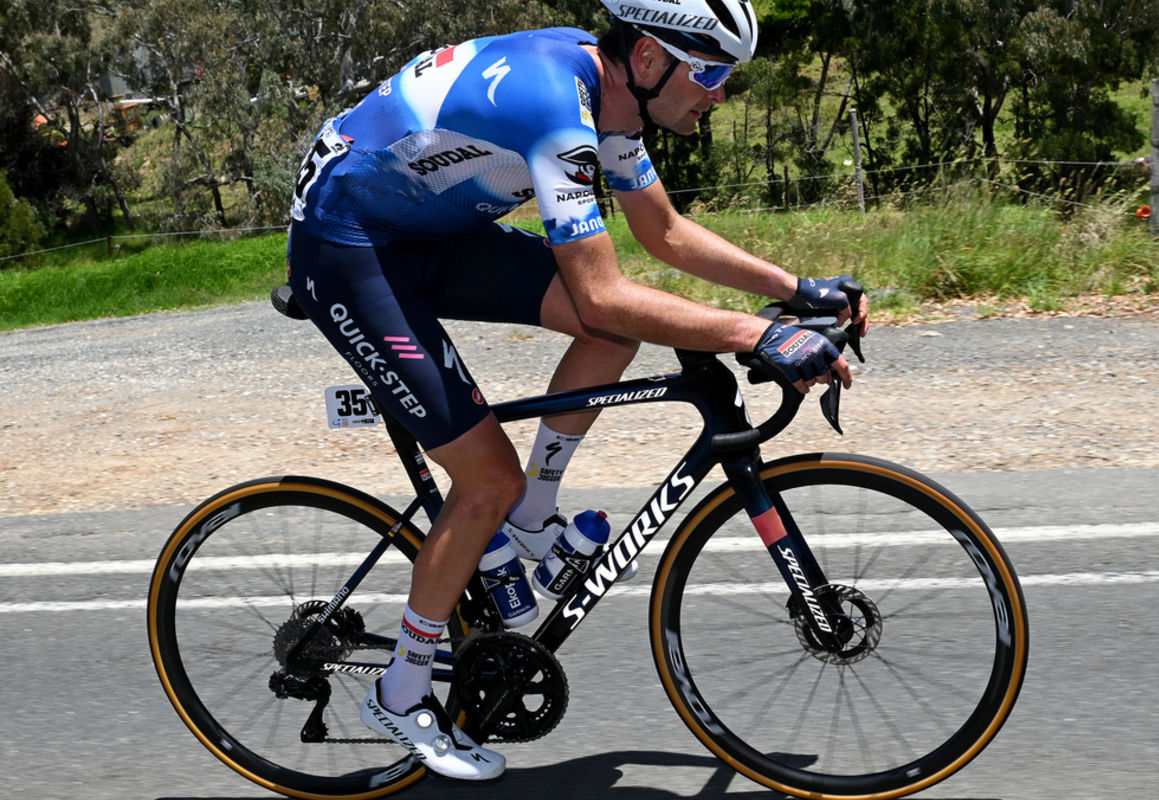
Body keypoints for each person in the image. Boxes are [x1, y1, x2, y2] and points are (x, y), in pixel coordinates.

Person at [285, 0, 868, 780]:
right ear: (653, 59)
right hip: (349, 246)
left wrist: (796, 291)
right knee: (484, 477)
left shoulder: (609, 97)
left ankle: (533, 512)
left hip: (428, 231)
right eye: (713, 71)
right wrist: (753, 332)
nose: (721, 93)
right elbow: (600, 290)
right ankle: (401, 690)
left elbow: (663, 234)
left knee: (612, 338)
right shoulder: (558, 110)